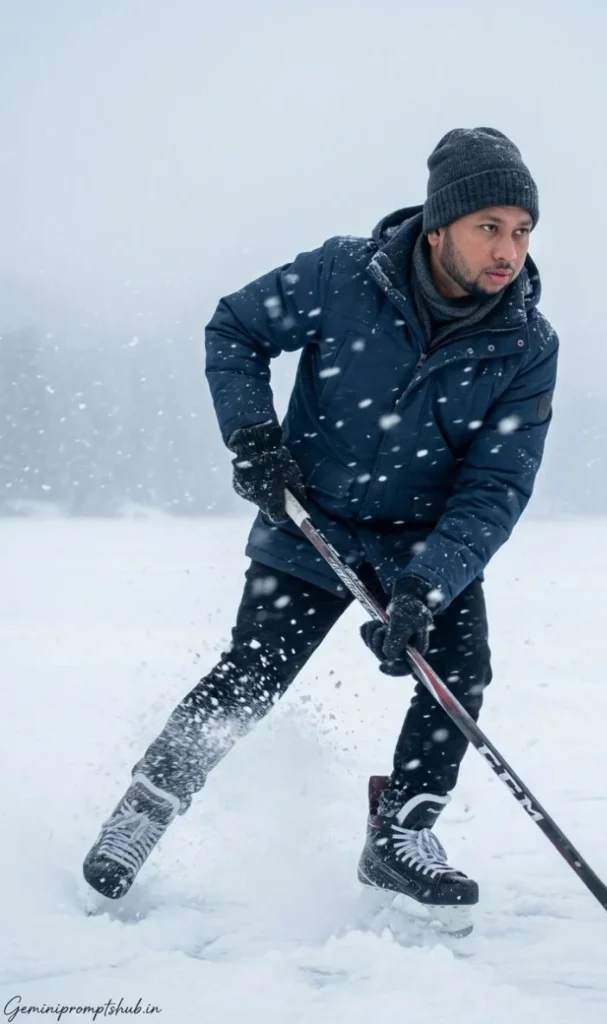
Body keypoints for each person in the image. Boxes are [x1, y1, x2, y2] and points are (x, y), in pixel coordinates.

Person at [83, 127, 558, 934]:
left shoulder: (524, 343)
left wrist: (426, 583)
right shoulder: (346, 274)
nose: (507, 249)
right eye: (489, 227)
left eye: (521, 230)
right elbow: (233, 330)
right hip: (314, 523)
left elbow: (495, 484)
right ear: (438, 226)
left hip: (423, 537)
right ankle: (146, 808)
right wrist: (254, 439)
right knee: (250, 675)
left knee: (458, 679)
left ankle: (401, 831)